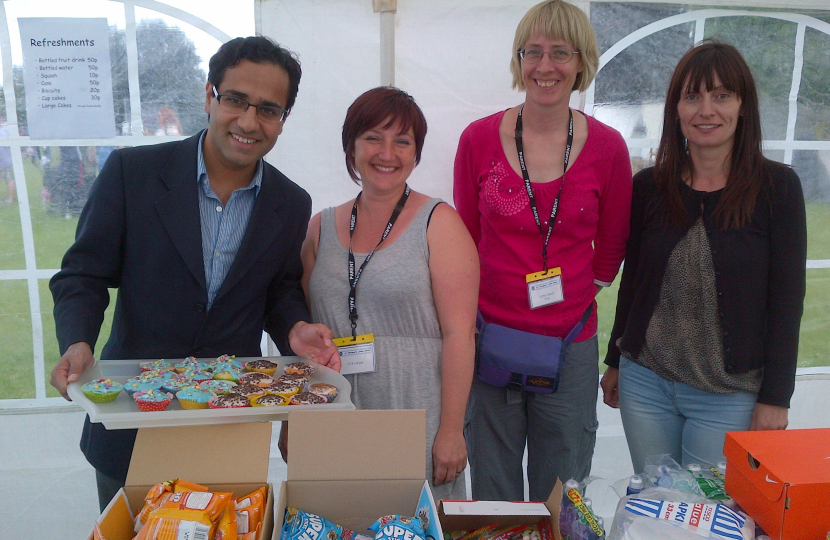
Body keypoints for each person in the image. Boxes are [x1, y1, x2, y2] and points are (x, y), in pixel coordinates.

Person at [49, 36, 340, 511]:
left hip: (229, 422)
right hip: (134, 419)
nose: (248, 121)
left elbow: (278, 288)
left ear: (283, 119)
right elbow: (82, 274)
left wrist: (295, 327)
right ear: (209, 96)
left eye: (268, 109)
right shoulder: (132, 172)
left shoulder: (290, 203)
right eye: (235, 100)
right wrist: (77, 340)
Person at [600, 41, 807, 473]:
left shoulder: (778, 189)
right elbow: (634, 281)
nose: (706, 110)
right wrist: (617, 361)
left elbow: (787, 303)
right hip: (647, 384)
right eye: (692, 96)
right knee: (654, 507)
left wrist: (776, 398)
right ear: (675, 108)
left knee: (707, 520)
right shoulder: (650, 187)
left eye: (721, 95)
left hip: (729, 396)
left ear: (743, 106)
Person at [454, 0, 632, 501]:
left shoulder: (608, 148)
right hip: (491, 336)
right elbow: (465, 240)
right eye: (533, 52)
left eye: (560, 52)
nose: (545, 66)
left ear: (581, 62)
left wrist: (577, 293)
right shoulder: (478, 140)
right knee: (493, 480)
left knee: (563, 483)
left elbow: (613, 243)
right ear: (519, 60)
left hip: (570, 341)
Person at [298, 87, 478, 499]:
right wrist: (296, 420)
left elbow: (460, 336)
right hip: (335, 411)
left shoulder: (440, 223)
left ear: (416, 152)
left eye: (402, 141)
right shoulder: (319, 228)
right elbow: (303, 337)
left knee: (415, 520)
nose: (387, 153)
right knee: (336, 517)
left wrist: (451, 430)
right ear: (352, 145)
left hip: (414, 408)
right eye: (373, 137)